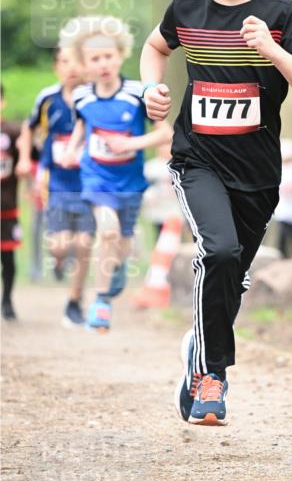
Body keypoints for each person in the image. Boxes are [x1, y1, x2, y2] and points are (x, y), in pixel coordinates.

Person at [140, 0, 292, 426]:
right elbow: (155, 48)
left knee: (233, 276)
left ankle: (198, 349)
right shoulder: (186, 8)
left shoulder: (283, 13)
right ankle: (212, 377)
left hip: (259, 173)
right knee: (218, 252)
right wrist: (151, 90)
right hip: (196, 159)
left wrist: (272, 49)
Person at [60, 16, 172, 331]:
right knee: (106, 231)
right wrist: (72, 149)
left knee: (121, 240)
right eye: (95, 59)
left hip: (130, 181)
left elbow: (165, 134)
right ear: (84, 64)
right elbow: (83, 126)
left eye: (109, 56)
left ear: (121, 54)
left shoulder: (138, 93)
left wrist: (131, 143)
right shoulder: (82, 96)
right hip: (95, 177)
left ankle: (118, 268)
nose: (103, 63)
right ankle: (101, 301)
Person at [16, 44, 95, 326]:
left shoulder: (96, 97)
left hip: (90, 182)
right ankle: (60, 259)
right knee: (60, 246)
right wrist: (25, 158)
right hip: (56, 182)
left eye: (77, 62)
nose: (71, 68)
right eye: (64, 62)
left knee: (84, 244)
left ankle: (74, 301)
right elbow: (28, 127)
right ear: (56, 67)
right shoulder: (47, 98)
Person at [0, 85, 27, 320]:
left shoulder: (12, 132)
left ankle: (7, 300)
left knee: (7, 258)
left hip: (6, 207)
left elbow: (29, 159)